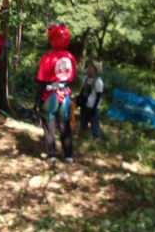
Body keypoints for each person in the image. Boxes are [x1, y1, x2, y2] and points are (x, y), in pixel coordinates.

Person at [35, 23, 77, 164]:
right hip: (65, 95)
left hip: (49, 96)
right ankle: (68, 155)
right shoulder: (71, 57)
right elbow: (73, 77)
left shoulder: (48, 58)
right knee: (65, 126)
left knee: (49, 126)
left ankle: (52, 155)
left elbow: (41, 82)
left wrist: (36, 103)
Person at [77, 61, 104, 141]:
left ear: (95, 70)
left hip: (93, 106)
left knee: (94, 123)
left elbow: (99, 96)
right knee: (83, 121)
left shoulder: (98, 81)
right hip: (85, 104)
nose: (89, 68)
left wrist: (94, 108)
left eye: (91, 67)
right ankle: (84, 137)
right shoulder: (86, 78)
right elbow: (82, 90)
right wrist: (79, 100)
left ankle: (97, 139)